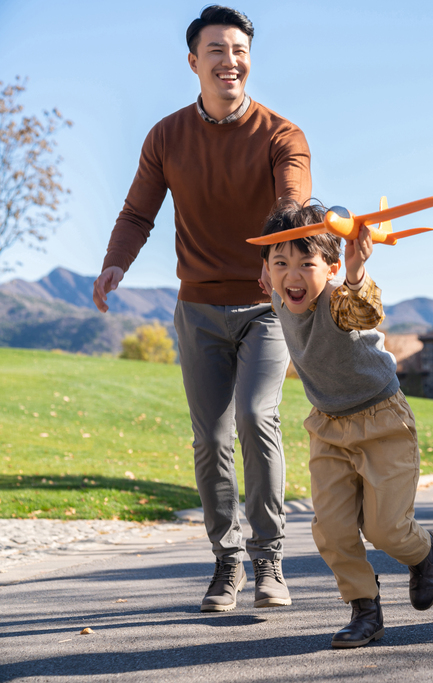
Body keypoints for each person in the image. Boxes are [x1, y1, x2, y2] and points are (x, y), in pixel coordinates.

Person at [92, 6, 311, 612]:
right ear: (194, 63)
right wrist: (116, 264)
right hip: (198, 308)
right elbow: (138, 213)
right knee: (211, 437)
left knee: (254, 418)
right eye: (216, 50)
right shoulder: (167, 137)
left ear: (249, 59)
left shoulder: (281, 135)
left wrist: (288, 250)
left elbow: (294, 201)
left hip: (266, 307)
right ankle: (228, 560)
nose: (229, 60)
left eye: (239, 49)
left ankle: (270, 558)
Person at [259, 201, 433, 649]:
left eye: (307, 264)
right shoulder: (277, 295)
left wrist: (357, 274)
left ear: (332, 267)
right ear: (266, 271)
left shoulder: (341, 301)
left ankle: (423, 551)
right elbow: (273, 275)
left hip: (382, 421)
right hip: (327, 425)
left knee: (386, 530)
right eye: (280, 264)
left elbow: (364, 311)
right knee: (333, 529)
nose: (293, 276)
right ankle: (364, 609)